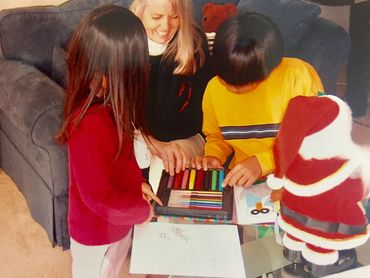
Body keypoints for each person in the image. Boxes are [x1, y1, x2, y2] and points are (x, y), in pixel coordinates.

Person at [56, 5, 161, 278]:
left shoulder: (113, 105)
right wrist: (140, 211)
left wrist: (137, 185)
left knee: (113, 267)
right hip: (97, 232)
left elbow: (118, 162)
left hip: (117, 223)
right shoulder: (88, 124)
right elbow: (97, 196)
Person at [191, 12, 324, 188]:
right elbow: (216, 136)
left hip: (297, 177)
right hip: (245, 182)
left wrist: (262, 163)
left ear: (269, 66)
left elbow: (317, 138)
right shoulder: (214, 89)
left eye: (246, 81)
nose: (233, 87)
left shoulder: (299, 76)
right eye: (226, 78)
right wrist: (214, 156)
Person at [130, 0, 213, 176]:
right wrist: (154, 144)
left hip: (188, 136)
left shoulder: (194, 41)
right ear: (139, 12)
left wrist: (167, 147)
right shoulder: (123, 44)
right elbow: (120, 114)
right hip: (140, 138)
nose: (165, 26)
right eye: (156, 17)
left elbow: (206, 108)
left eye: (175, 17)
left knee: (163, 169)